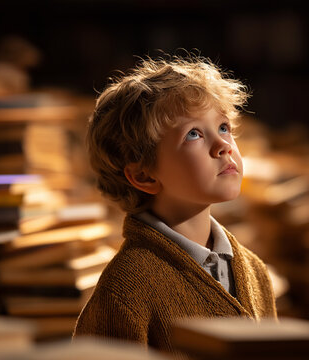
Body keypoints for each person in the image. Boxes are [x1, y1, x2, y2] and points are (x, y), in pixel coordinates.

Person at [73, 54, 277, 354]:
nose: (224, 146)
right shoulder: (125, 291)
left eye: (223, 127)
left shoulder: (255, 271)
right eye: (193, 134)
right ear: (144, 175)